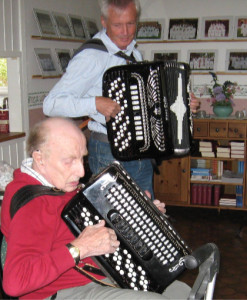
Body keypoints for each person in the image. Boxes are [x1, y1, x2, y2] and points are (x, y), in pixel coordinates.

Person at [1, 117, 191, 299]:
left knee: (184, 292)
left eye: (81, 159)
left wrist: (140, 215)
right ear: (39, 158)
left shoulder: (60, 184)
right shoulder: (32, 205)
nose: (81, 171)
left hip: (103, 275)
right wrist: (79, 248)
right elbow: (15, 282)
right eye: (69, 161)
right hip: (64, 292)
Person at [43, 0, 199, 200]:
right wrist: (95, 103)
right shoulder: (91, 56)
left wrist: (182, 104)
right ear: (104, 22)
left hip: (142, 151)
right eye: (117, 25)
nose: (125, 31)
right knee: (116, 220)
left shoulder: (133, 52)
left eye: (131, 23)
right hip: (109, 151)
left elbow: (149, 103)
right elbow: (52, 103)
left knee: (145, 216)